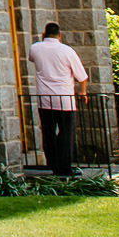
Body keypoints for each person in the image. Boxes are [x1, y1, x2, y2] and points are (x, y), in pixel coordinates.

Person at [26, 21, 88, 177]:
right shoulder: (67, 51)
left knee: (49, 133)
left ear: (44, 34)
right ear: (60, 35)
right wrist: (83, 92)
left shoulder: (35, 48)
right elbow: (82, 76)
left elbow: (32, 59)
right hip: (64, 99)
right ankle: (65, 167)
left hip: (45, 98)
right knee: (66, 133)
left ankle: (53, 164)